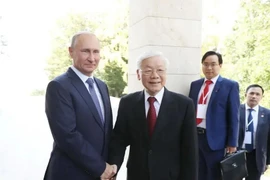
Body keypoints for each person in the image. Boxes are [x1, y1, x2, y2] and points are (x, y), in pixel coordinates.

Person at [108, 50, 198, 180]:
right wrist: (113, 168)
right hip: (137, 175)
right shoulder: (128, 103)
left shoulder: (184, 105)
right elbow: (119, 140)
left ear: (166, 74)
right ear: (139, 74)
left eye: (160, 70)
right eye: (148, 70)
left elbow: (190, 151)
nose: (155, 76)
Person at [44, 32, 117, 180]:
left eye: (96, 51)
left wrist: (111, 167)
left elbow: (106, 132)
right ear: (71, 52)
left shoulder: (102, 86)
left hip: (100, 174)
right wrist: (101, 168)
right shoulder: (58, 86)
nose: (92, 58)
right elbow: (67, 136)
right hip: (70, 174)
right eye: (85, 51)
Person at [188, 51, 240, 180]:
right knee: (197, 173)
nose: (209, 68)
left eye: (213, 64)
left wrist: (232, 143)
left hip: (215, 140)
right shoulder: (195, 85)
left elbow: (234, 116)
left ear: (220, 65)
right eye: (205, 64)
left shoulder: (230, 86)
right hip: (195, 137)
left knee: (213, 174)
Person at [238, 84, 270, 180]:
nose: (254, 96)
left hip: (256, 155)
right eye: (251, 93)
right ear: (245, 95)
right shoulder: (236, 110)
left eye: (257, 94)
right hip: (237, 153)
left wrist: (267, 161)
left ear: (261, 97)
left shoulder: (267, 114)